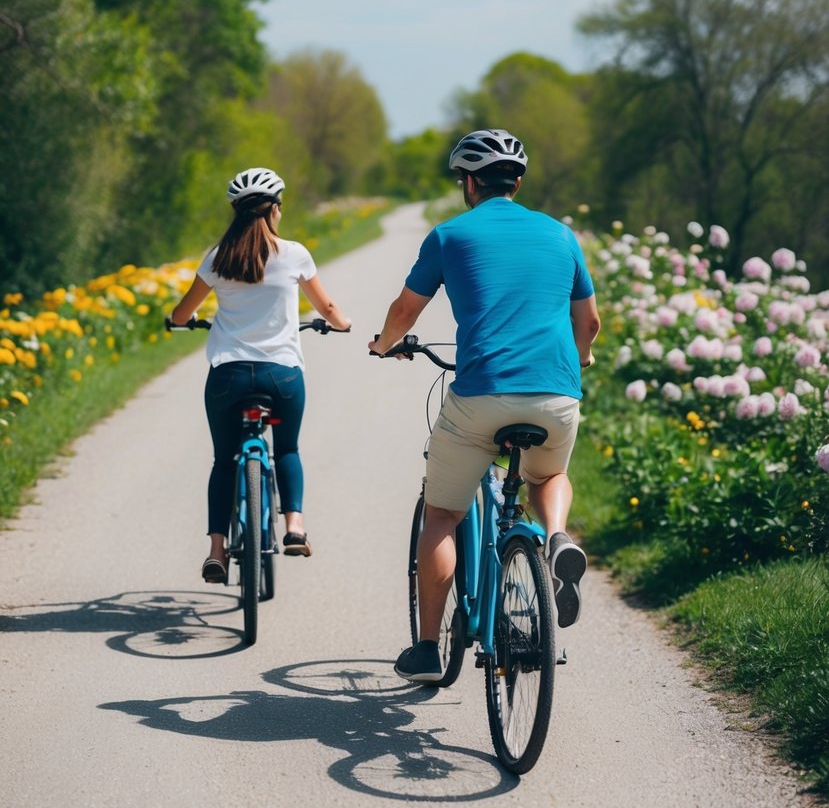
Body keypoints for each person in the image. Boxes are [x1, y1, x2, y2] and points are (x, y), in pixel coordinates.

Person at [369, 130, 600, 683]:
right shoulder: (561, 235)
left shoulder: (450, 235)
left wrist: (384, 345)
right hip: (556, 394)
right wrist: (583, 358)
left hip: (482, 395)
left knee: (442, 514)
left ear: (469, 183)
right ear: (517, 182)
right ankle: (559, 536)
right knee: (550, 474)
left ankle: (427, 649)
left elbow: (406, 310)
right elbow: (587, 323)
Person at [170, 167, 351, 583]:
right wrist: (342, 323)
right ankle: (294, 527)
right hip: (281, 376)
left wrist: (179, 320)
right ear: (273, 210)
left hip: (228, 377)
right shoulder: (294, 254)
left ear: (236, 210)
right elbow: (327, 309)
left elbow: (183, 313)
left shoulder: (217, 257)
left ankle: (217, 550)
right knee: (286, 450)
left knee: (223, 460)